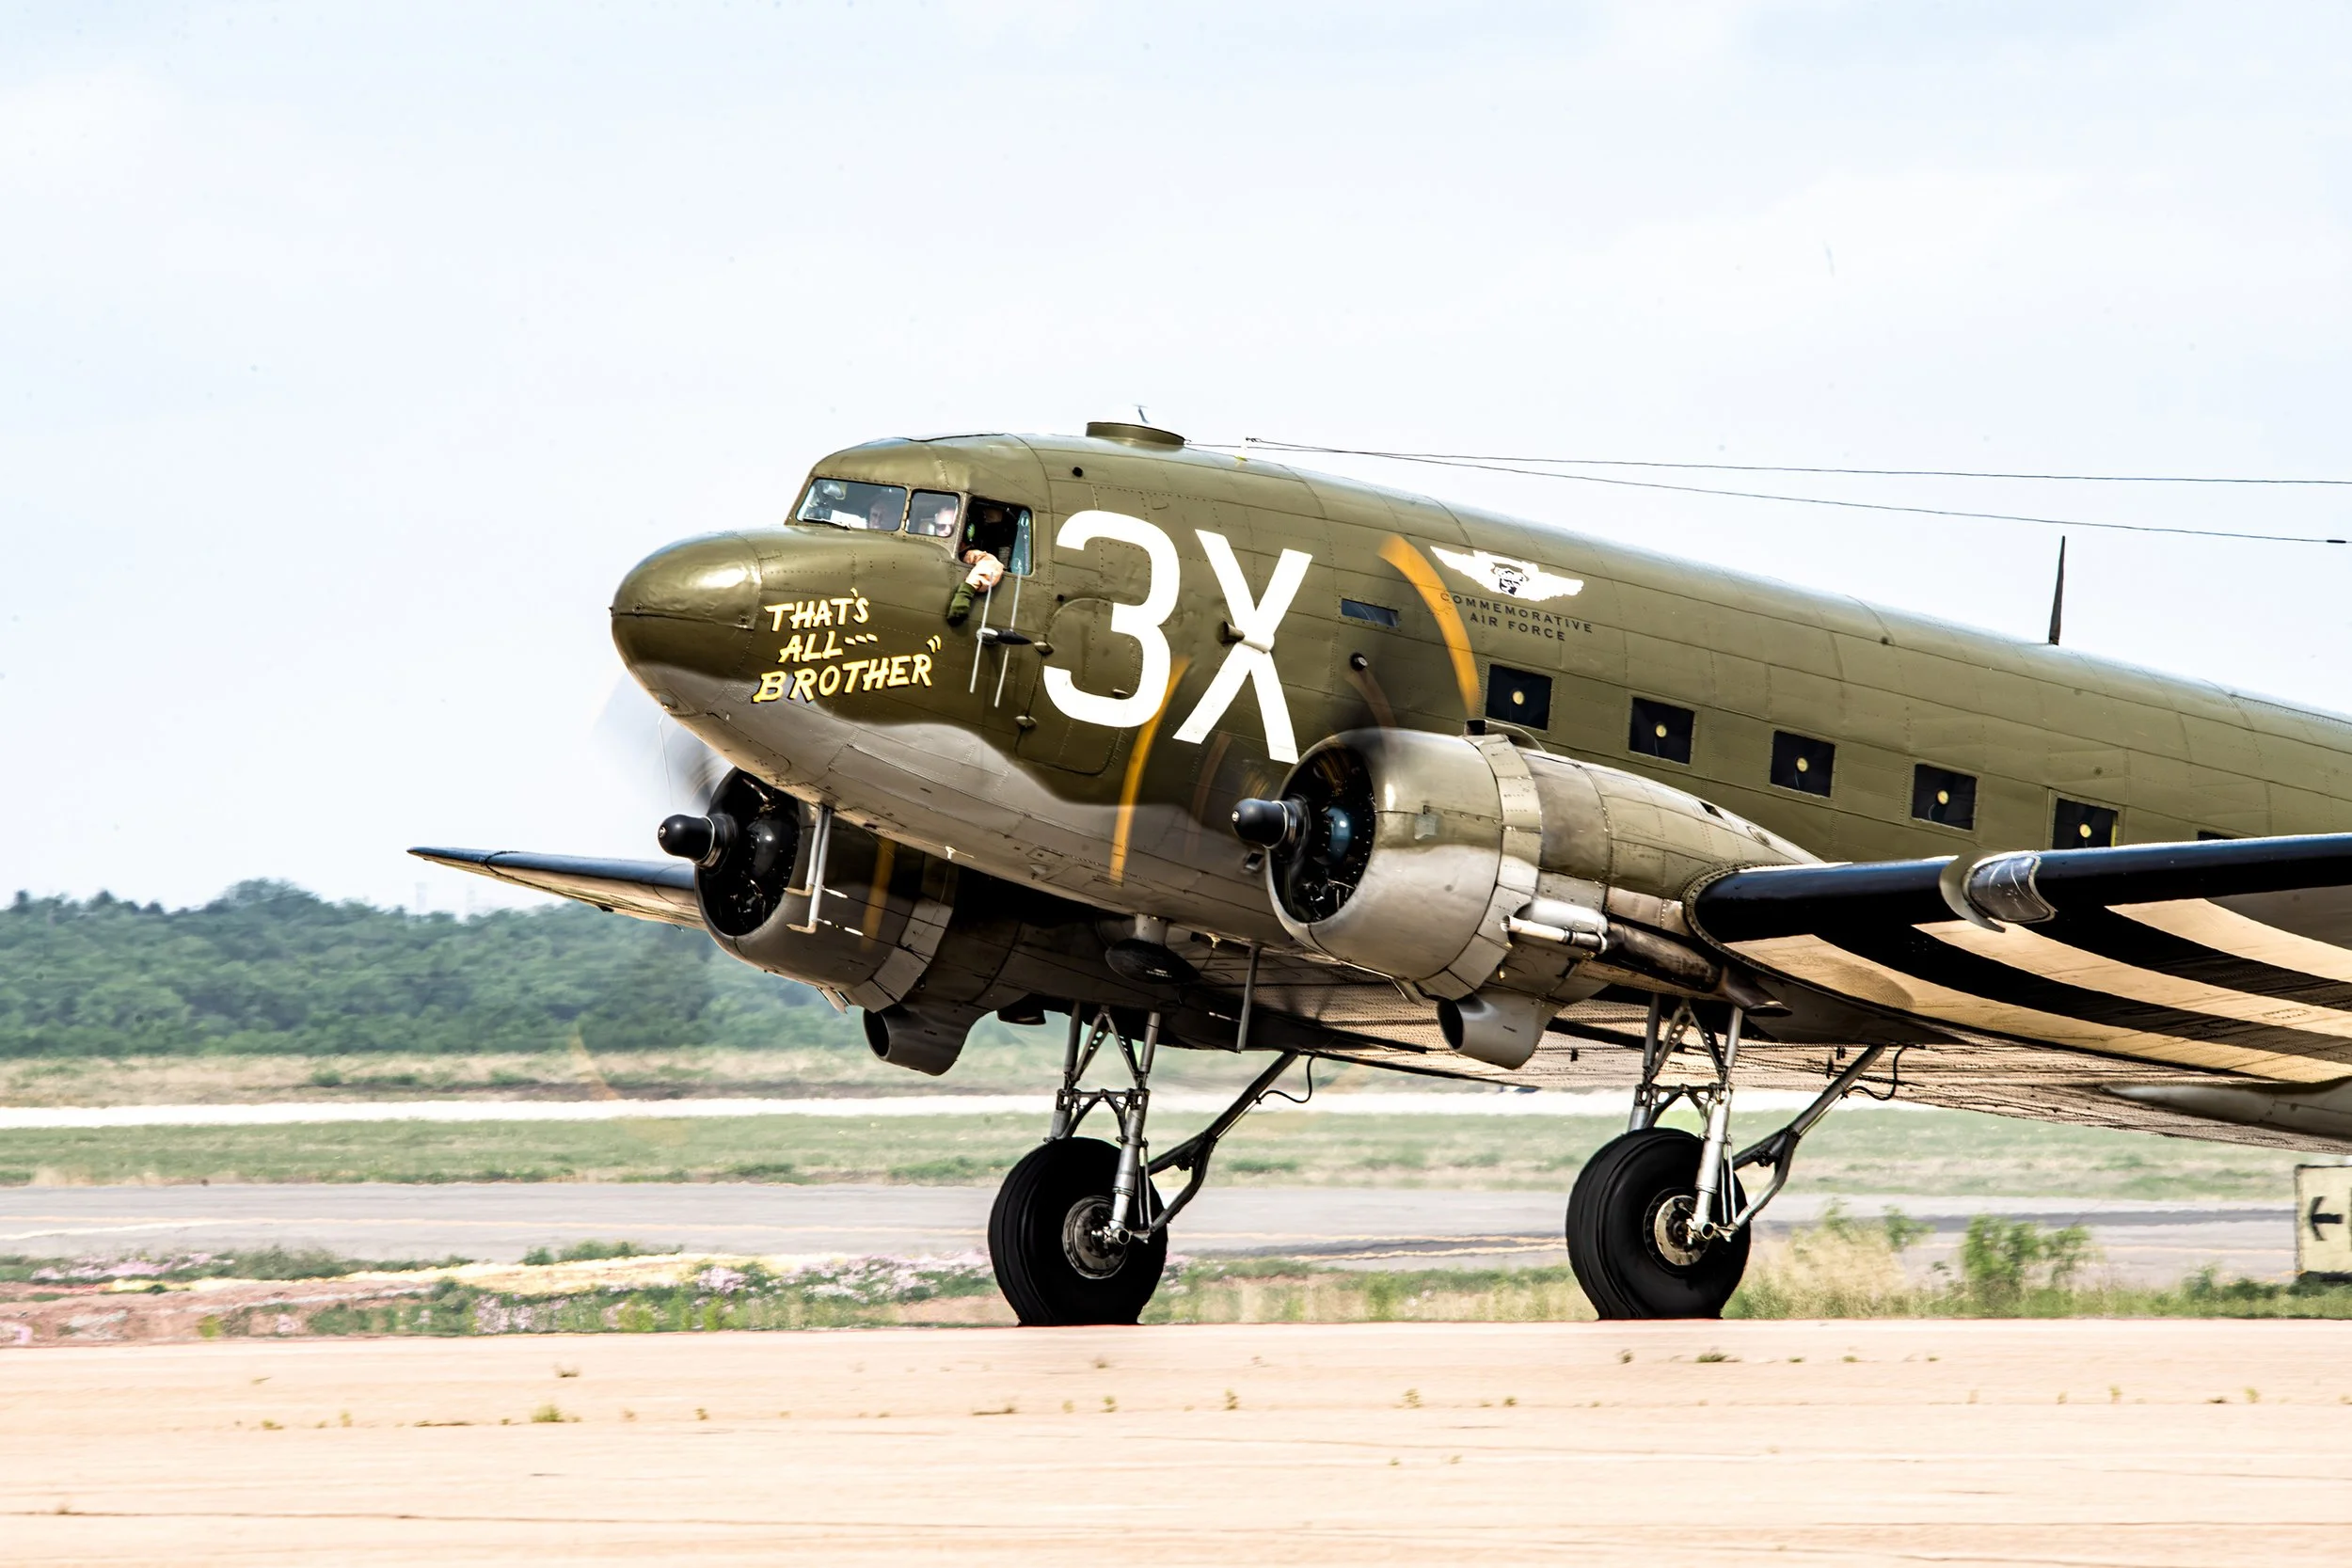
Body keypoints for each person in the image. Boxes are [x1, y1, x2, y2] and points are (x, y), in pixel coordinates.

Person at [945, 499, 1021, 626]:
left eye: (951, 528)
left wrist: (965, 592)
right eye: (940, 527)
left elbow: (992, 564)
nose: (946, 532)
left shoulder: (968, 554)